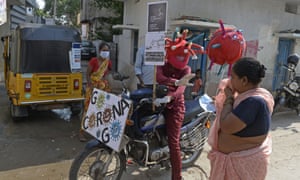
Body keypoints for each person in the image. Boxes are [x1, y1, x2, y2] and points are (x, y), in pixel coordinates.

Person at [207, 57, 275, 180]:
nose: (230, 81)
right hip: (237, 163)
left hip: (241, 166)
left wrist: (229, 98)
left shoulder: (253, 101)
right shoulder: (247, 98)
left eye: (233, 77)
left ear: (244, 80)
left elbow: (226, 126)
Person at [79, 42, 112, 142]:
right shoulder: (93, 61)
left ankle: (97, 132)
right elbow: (87, 75)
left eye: (107, 51)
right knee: (88, 110)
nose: (105, 52)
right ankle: (81, 133)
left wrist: (105, 85)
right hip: (92, 89)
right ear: (99, 51)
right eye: (104, 50)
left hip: (102, 89)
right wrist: (91, 86)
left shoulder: (108, 62)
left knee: (100, 110)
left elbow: (106, 75)